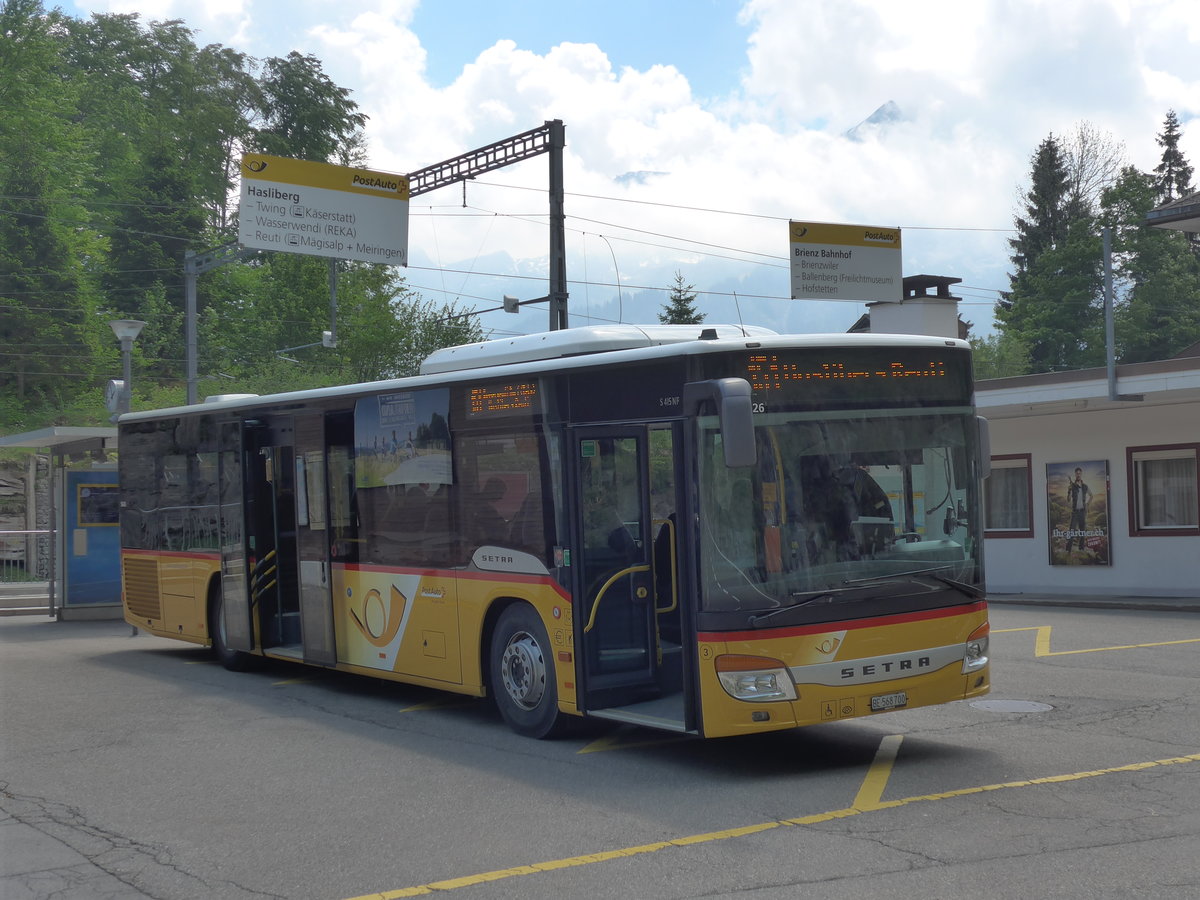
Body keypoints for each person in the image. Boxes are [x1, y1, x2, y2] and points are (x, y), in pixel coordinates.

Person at [1065, 467, 1092, 552]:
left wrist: (1087, 504)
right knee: (1071, 531)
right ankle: (1068, 550)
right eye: (1077, 473)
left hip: (1083, 512)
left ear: (1081, 474)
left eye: (1079, 473)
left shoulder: (1085, 486)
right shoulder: (1072, 486)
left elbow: (1091, 495)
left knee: (1082, 531)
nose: (1078, 475)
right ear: (1075, 474)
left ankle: (1081, 549)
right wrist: (1069, 490)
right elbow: (1068, 499)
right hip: (1075, 512)